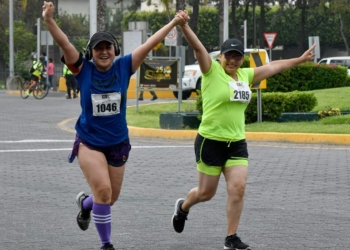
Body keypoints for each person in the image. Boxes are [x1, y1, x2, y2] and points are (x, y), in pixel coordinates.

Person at [42, 1, 187, 250]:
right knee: (104, 192)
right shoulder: (82, 70)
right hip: (90, 142)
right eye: (98, 49)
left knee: (108, 198)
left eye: (107, 47)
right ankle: (106, 244)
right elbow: (65, 43)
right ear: (91, 52)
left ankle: (85, 205)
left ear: (115, 49)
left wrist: (174, 23)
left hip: (118, 143)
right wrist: (49, 21)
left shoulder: (124, 66)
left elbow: (150, 43)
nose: (104, 52)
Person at [171, 10, 316, 250]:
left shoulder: (245, 75)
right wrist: (184, 25)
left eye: (237, 56)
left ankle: (231, 237)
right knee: (206, 193)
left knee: (237, 188)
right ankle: (183, 207)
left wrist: (299, 59)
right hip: (210, 141)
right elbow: (198, 49)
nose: (233, 60)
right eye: (229, 55)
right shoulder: (211, 71)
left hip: (236, 142)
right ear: (221, 56)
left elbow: (274, 67)